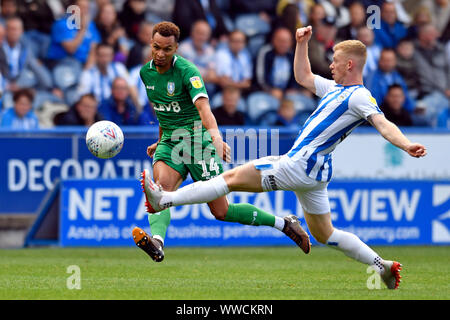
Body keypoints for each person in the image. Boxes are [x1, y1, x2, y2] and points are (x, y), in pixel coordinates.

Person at [141, 26, 428, 290]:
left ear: (349, 64)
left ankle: (164, 200)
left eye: (335, 61)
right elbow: (303, 76)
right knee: (325, 234)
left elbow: (383, 123)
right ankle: (382, 265)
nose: (330, 65)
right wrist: (301, 44)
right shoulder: (335, 89)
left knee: (227, 180)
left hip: (299, 164)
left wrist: (405, 144)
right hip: (316, 174)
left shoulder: (359, 97)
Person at [133, 21, 310, 263]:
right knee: (160, 193)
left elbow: (204, 108)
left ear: (176, 49)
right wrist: (161, 138)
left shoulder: (188, 72)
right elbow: (163, 110)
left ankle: (283, 223)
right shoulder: (146, 73)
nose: (160, 54)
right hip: (171, 143)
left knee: (222, 211)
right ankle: (157, 241)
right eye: (156, 47)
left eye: (167, 49)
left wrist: (215, 136)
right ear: (151, 44)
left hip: (197, 141)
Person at [255, 27, 300, 100]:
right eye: (281, 41)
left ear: (291, 43)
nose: (283, 45)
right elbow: (260, 78)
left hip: (286, 92)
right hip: (266, 91)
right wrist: (270, 90)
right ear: (274, 41)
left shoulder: (292, 55)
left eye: (286, 42)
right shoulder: (265, 52)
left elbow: (296, 76)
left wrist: (293, 88)